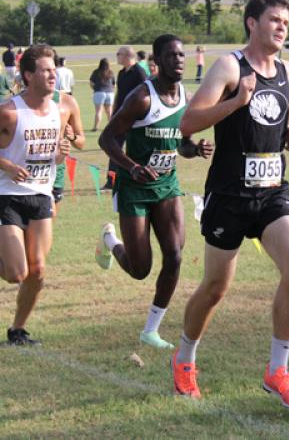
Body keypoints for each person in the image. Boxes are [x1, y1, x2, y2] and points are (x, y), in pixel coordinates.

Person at [171, 0, 289, 410]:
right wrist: (235, 101)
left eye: (286, 21)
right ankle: (184, 360)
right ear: (252, 23)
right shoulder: (230, 67)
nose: (282, 27)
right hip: (229, 196)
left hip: (272, 193)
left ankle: (278, 371)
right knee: (215, 288)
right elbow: (188, 122)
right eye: (274, 19)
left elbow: (284, 118)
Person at [95, 34, 213, 349]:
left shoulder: (187, 96)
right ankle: (109, 241)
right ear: (157, 62)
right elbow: (106, 139)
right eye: (171, 56)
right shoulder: (141, 98)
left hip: (167, 186)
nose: (179, 61)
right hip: (134, 188)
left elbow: (182, 143)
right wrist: (131, 165)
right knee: (140, 269)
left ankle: (151, 330)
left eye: (182, 55)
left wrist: (194, 149)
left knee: (174, 255)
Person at [0, 44, 71, 345]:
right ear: (28, 75)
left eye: (54, 69)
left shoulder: (62, 108)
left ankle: (18, 330)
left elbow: (53, 153)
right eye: (45, 69)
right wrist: (6, 165)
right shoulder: (8, 112)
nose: (52, 74)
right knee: (17, 273)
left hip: (41, 195)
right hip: (6, 194)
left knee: (37, 270)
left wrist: (60, 152)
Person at [102, 46, 147, 190]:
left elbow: (146, 94)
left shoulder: (139, 72)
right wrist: (113, 114)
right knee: (114, 148)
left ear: (127, 56)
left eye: (118, 54)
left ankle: (139, 176)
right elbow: (119, 95)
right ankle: (111, 180)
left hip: (136, 120)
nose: (116, 56)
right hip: (120, 118)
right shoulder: (121, 73)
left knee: (136, 149)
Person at [52, 89, 86, 213]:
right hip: (27, 171)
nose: (51, 75)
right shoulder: (20, 103)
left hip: (56, 170)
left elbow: (81, 143)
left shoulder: (67, 102)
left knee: (48, 223)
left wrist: (72, 137)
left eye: (52, 70)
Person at [89, 58, 115, 131]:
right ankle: (112, 126)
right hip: (110, 93)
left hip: (99, 92)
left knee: (99, 111)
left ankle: (96, 127)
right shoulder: (111, 72)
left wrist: (95, 88)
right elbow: (114, 84)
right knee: (109, 111)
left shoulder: (96, 72)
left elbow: (91, 83)